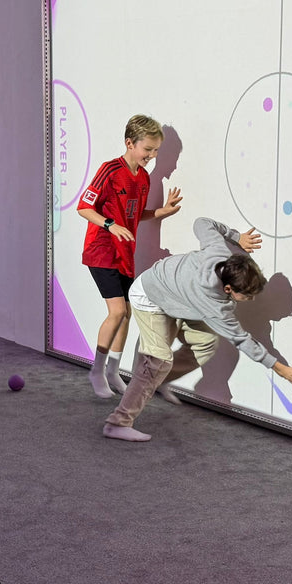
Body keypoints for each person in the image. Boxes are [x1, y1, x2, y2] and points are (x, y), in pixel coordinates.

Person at [102, 216, 292, 442]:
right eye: (247, 296)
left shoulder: (220, 253)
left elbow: (202, 223)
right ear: (227, 289)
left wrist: (236, 237)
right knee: (157, 361)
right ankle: (118, 423)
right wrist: (284, 371)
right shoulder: (214, 305)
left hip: (177, 296)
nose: (251, 300)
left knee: (205, 344)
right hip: (151, 296)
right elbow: (243, 340)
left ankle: (159, 381)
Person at [76, 114, 183, 397]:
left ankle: (113, 371)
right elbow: (84, 207)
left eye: (157, 151)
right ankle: (96, 371)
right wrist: (111, 225)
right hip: (101, 251)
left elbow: (136, 215)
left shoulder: (145, 178)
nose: (152, 156)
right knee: (118, 311)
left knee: (127, 315)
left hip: (125, 254)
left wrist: (163, 212)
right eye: (148, 149)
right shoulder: (110, 170)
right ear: (129, 143)